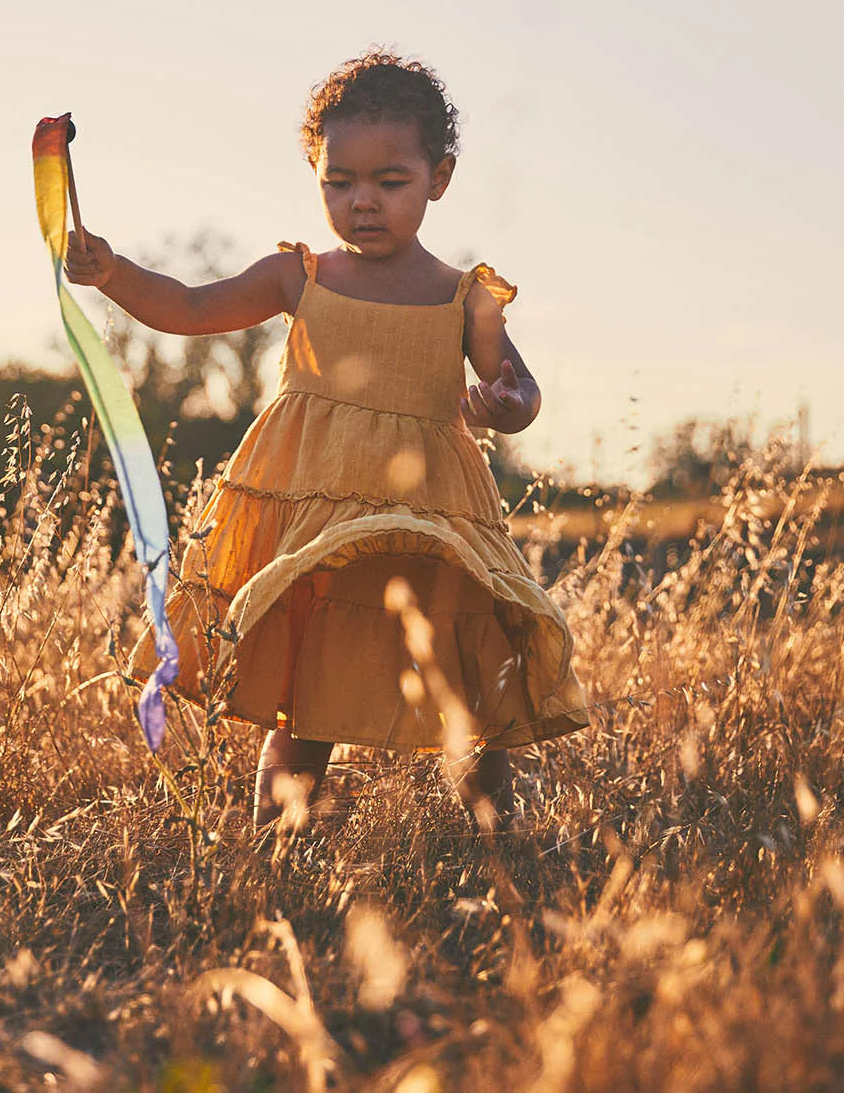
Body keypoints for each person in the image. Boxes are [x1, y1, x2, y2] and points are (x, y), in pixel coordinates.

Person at [65, 50, 588, 830]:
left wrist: (508, 404)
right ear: (314, 173)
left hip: (429, 512)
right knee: (302, 693)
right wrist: (113, 272)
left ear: (438, 177)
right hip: (313, 505)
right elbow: (187, 307)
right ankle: (277, 841)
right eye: (337, 182)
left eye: (390, 181)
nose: (361, 203)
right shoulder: (298, 276)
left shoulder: (463, 297)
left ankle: (496, 837)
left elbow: (520, 388)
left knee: (470, 676)